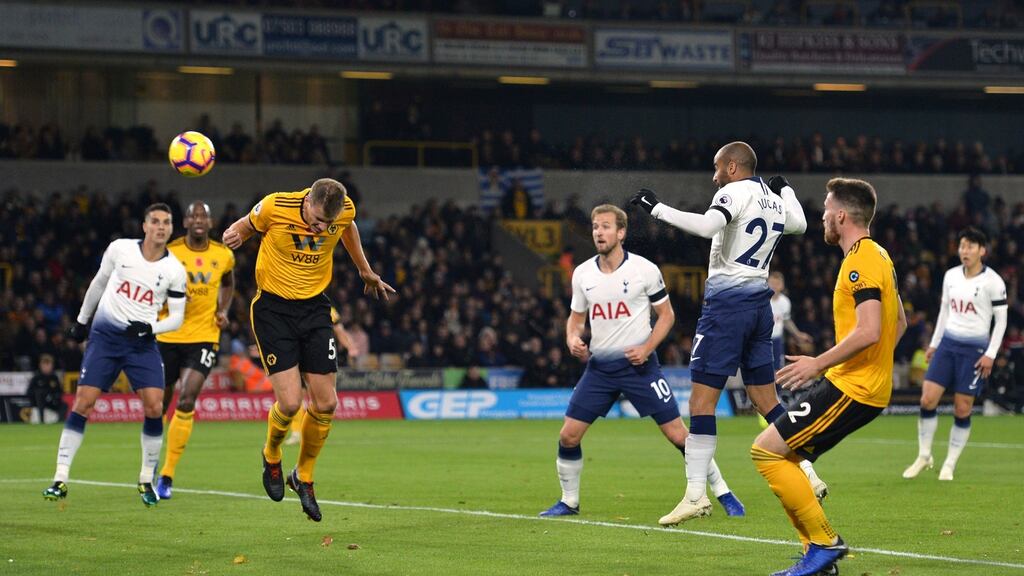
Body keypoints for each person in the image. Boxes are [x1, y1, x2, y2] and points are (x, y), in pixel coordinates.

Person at [630, 141, 825, 526]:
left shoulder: (732, 192)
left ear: (734, 167)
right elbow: (801, 224)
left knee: (701, 405)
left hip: (727, 308)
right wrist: (785, 188)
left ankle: (695, 495)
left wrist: (658, 209)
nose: (714, 175)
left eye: (717, 168)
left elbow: (707, 226)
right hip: (759, 306)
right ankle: (808, 471)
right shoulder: (771, 197)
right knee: (766, 401)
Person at [539, 204, 746, 520]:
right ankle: (569, 502)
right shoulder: (582, 274)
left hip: (640, 368)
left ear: (621, 232)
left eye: (606, 226)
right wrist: (572, 338)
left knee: (679, 435)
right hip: (600, 370)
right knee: (568, 435)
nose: (599, 232)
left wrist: (648, 346)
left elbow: (667, 316)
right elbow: (576, 318)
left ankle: (724, 492)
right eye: (596, 226)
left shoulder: (644, 270)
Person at [755, 178, 906, 576]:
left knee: (766, 451)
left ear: (841, 215)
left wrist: (820, 364)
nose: (822, 215)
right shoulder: (879, 257)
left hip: (853, 388)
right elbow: (899, 324)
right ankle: (817, 561)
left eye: (825, 208)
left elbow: (872, 330)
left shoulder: (861, 261)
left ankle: (824, 544)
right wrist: (872, 366)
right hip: (857, 382)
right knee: (785, 456)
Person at [222, 178, 394, 522]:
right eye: (316, 221)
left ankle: (303, 476)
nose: (320, 229)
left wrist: (365, 269)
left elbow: (348, 228)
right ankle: (271, 456)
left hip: (314, 309)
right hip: (273, 309)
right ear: (307, 201)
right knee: (289, 403)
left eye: (326, 225)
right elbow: (244, 225)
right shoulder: (276, 205)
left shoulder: (342, 212)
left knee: (327, 402)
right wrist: (237, 234)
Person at [43, 203, 187, 507]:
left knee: (154, 405)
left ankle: (146, 479)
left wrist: (150, 328)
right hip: (106, 337)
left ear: (172, 229)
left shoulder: (174, 270)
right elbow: (98, 284)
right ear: (144, 226)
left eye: (167, 222)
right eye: (155, 221)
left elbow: (177, 317)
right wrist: (82, 322)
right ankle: (60, 477)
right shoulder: (120, 250)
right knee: (84, 401)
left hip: (142, 343)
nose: (161, 227)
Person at [902, 226, 1007, 481]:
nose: (965, 251)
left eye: (970, 246)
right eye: (962, 246)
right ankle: (924, 454)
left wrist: (991, 353)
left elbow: (1001, 321)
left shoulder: (993, 281)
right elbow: (945, 313)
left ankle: (949, 463)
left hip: (975, 350)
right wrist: (935, 344)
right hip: (948, 344)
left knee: (962, 408)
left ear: (982, 250)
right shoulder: (950, 276)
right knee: (927, 400)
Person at [154, 202, 235, 499]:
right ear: (186, 221)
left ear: (210, 222)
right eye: (194, 216)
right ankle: (150, 461)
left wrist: (223, 309)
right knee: (158, 406)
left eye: (204, 216)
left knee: (186, 398)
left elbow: (228, 283)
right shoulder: (171, 251)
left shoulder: (223, 254)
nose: (199, 220)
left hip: (204, 335)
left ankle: (167, 474)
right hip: (167, 334)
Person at [284, 306, 353, 446]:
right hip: (306, 353)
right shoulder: (321, 305)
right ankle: (300, 432)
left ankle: (304, 431)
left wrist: (350, 347)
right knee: (302, 396)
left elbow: (339, 330)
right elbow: (339, 330)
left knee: (310, 397)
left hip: (312, 352)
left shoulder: (324, 307)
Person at [28, 354, 67, 423]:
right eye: (44, 364)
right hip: (38, 408)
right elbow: (29, 392)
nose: (46, 367)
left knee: (64, 405)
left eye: (48, 364)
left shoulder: (54, 378)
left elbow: (59, 392)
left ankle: (60, 421)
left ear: (52, 365)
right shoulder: (36, 378)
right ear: (40, 365)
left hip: (51, 407)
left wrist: (53, 398)